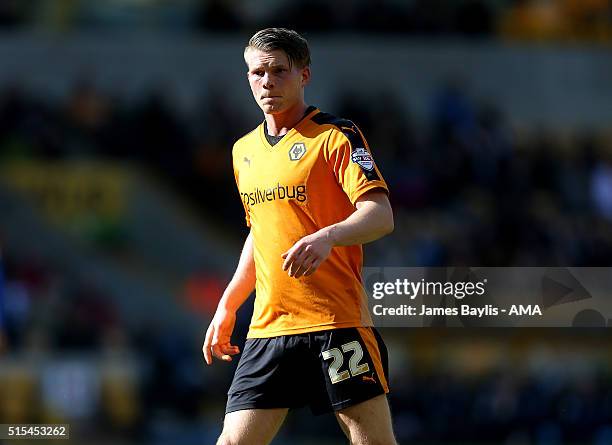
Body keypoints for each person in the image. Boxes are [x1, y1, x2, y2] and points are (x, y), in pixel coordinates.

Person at [203, 28, 397, 445]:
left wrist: (327, 236)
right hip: (268, 328)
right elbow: (261, 234)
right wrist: (228, 304)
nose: (267, 81)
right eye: (257, 72)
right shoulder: (243, 151)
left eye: (278, 70)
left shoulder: (335, 135)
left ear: (304, 75)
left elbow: (380, 216)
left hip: (336, 322)